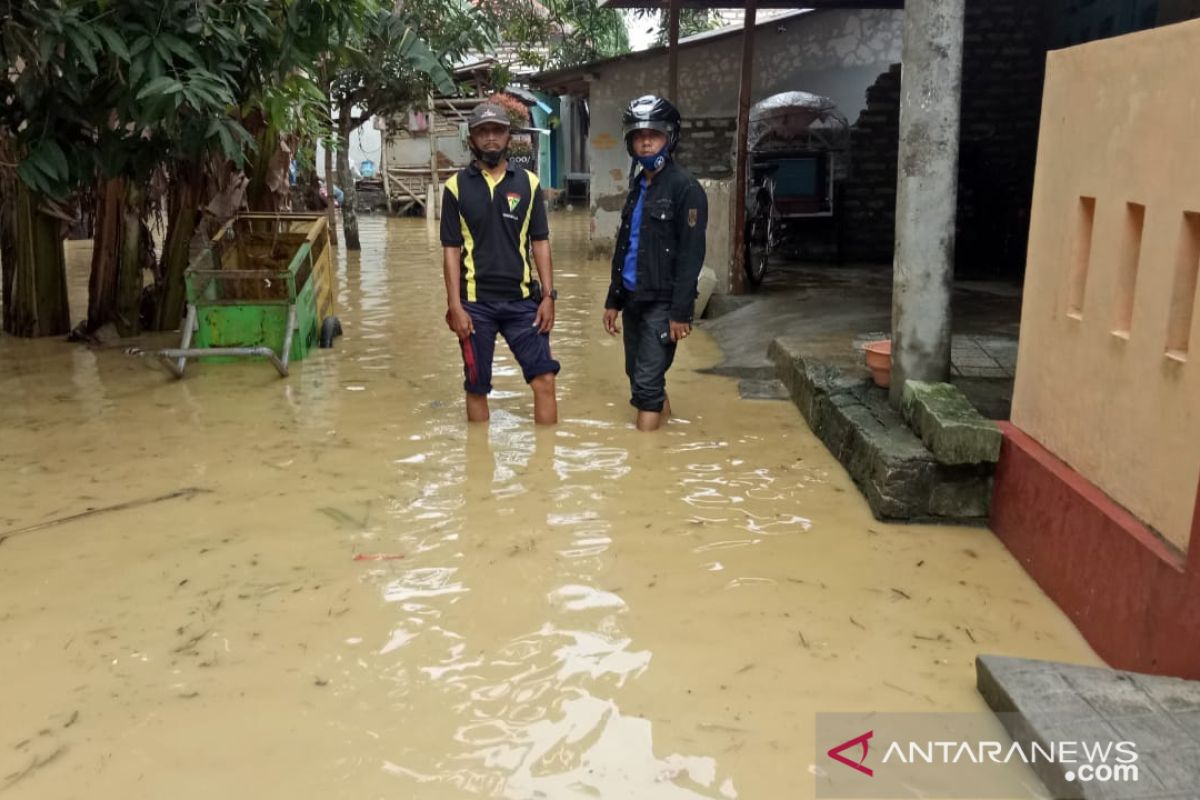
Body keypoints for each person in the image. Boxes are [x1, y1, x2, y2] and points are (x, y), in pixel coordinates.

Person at [441, 102, 559, 425]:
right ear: (472, 139)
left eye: (497, 131)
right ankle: (479, 470)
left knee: (544, 381)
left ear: (509, 136)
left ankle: (544, 471)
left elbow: (540, 242)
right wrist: (455, 306)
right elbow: (450, 250)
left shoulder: (529, 184)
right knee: (477, 388)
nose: (490, 138)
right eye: (482, 132)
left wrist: (549, 296)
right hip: (474, 306)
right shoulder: (455, 188)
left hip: (523, 302)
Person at [603, 95, 708, 432]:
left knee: (646, 385)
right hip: (633, 297)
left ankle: (643, 460)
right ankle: (665, 432)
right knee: (636, 374)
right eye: (638, 135)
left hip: (663, 303)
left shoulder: (686, 189)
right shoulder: (637, 186)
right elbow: (626, 247)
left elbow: (692, 254)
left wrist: (681, 312)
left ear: (669, 137)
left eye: (654, 134)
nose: (645, 141)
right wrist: (613, 301)